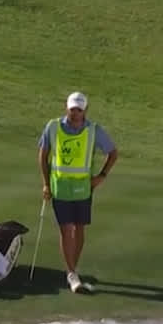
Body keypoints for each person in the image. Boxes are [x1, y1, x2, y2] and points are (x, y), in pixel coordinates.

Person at [38, 91, 118, 293]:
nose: (75, 113)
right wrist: (46, 184)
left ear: (85, 111)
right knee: (65, 229)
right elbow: (43, 156)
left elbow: (113, 153)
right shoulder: (53, 127)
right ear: (67, 108)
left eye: (79, 110)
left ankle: (73, 267)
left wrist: (102, 176)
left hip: (83, 189)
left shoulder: (93, 130)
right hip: (60, 188)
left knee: (80, 229)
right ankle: (71, 273)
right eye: (72, 109)